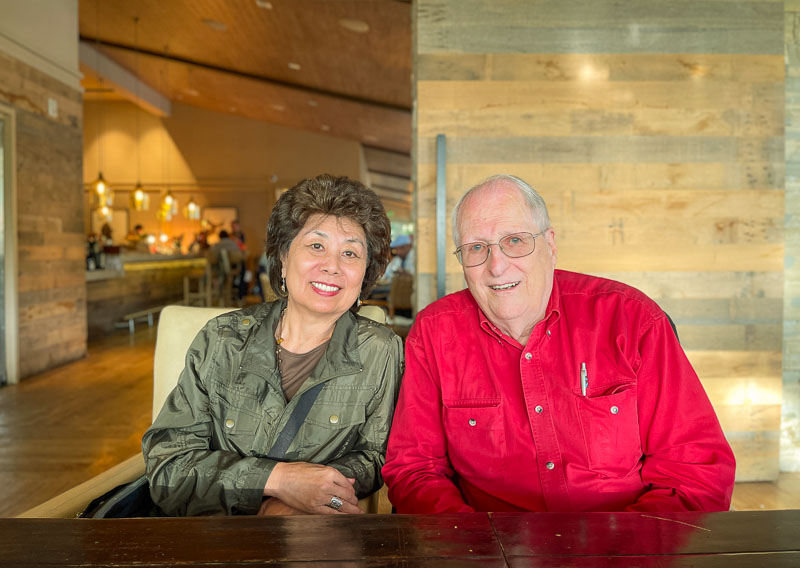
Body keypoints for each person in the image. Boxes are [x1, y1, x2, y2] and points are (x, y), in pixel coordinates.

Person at [382, 174, 735, 513]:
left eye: (515, 241)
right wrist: (476, 546)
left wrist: (624, 551)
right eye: (476, 248)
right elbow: (415, 469)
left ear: (550, 245)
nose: (497, 265)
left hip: (623, 549)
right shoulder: (434, 333)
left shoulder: (632, 319)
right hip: (491, 549)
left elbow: (695, 469)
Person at [143, 174, 404, 516]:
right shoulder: (223, 340)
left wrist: (316, 494)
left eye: (351, 253)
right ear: (283, 256)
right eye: (316, 246)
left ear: (366, 271)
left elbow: (374, 455)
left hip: (309, 537)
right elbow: (169, 465)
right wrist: (278, 483)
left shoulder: (380, 349)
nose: (332, 266)